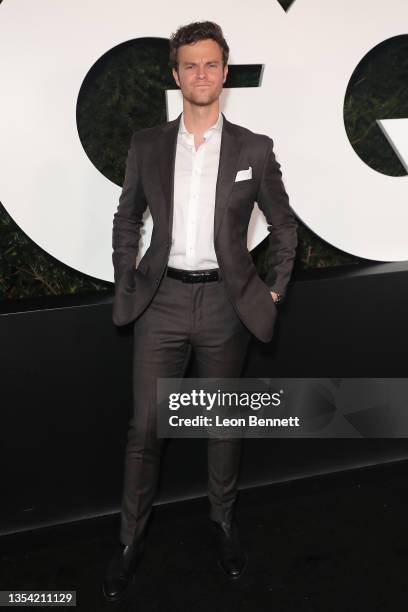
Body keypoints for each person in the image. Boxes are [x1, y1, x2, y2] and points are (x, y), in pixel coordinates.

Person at [103, 20, 298, 603]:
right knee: (145, 428)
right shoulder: (147, 144)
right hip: (160, 301)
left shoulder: (253, 149)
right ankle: (129, 541)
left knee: (222, 424)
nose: (202, 74)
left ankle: (223, 523)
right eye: (190, 65)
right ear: (176, 74)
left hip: (225, 305)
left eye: (211, 64)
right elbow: (126, 219)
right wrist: (127, 281)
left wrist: (274, 291)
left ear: (225, 70)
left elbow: (285, 230)